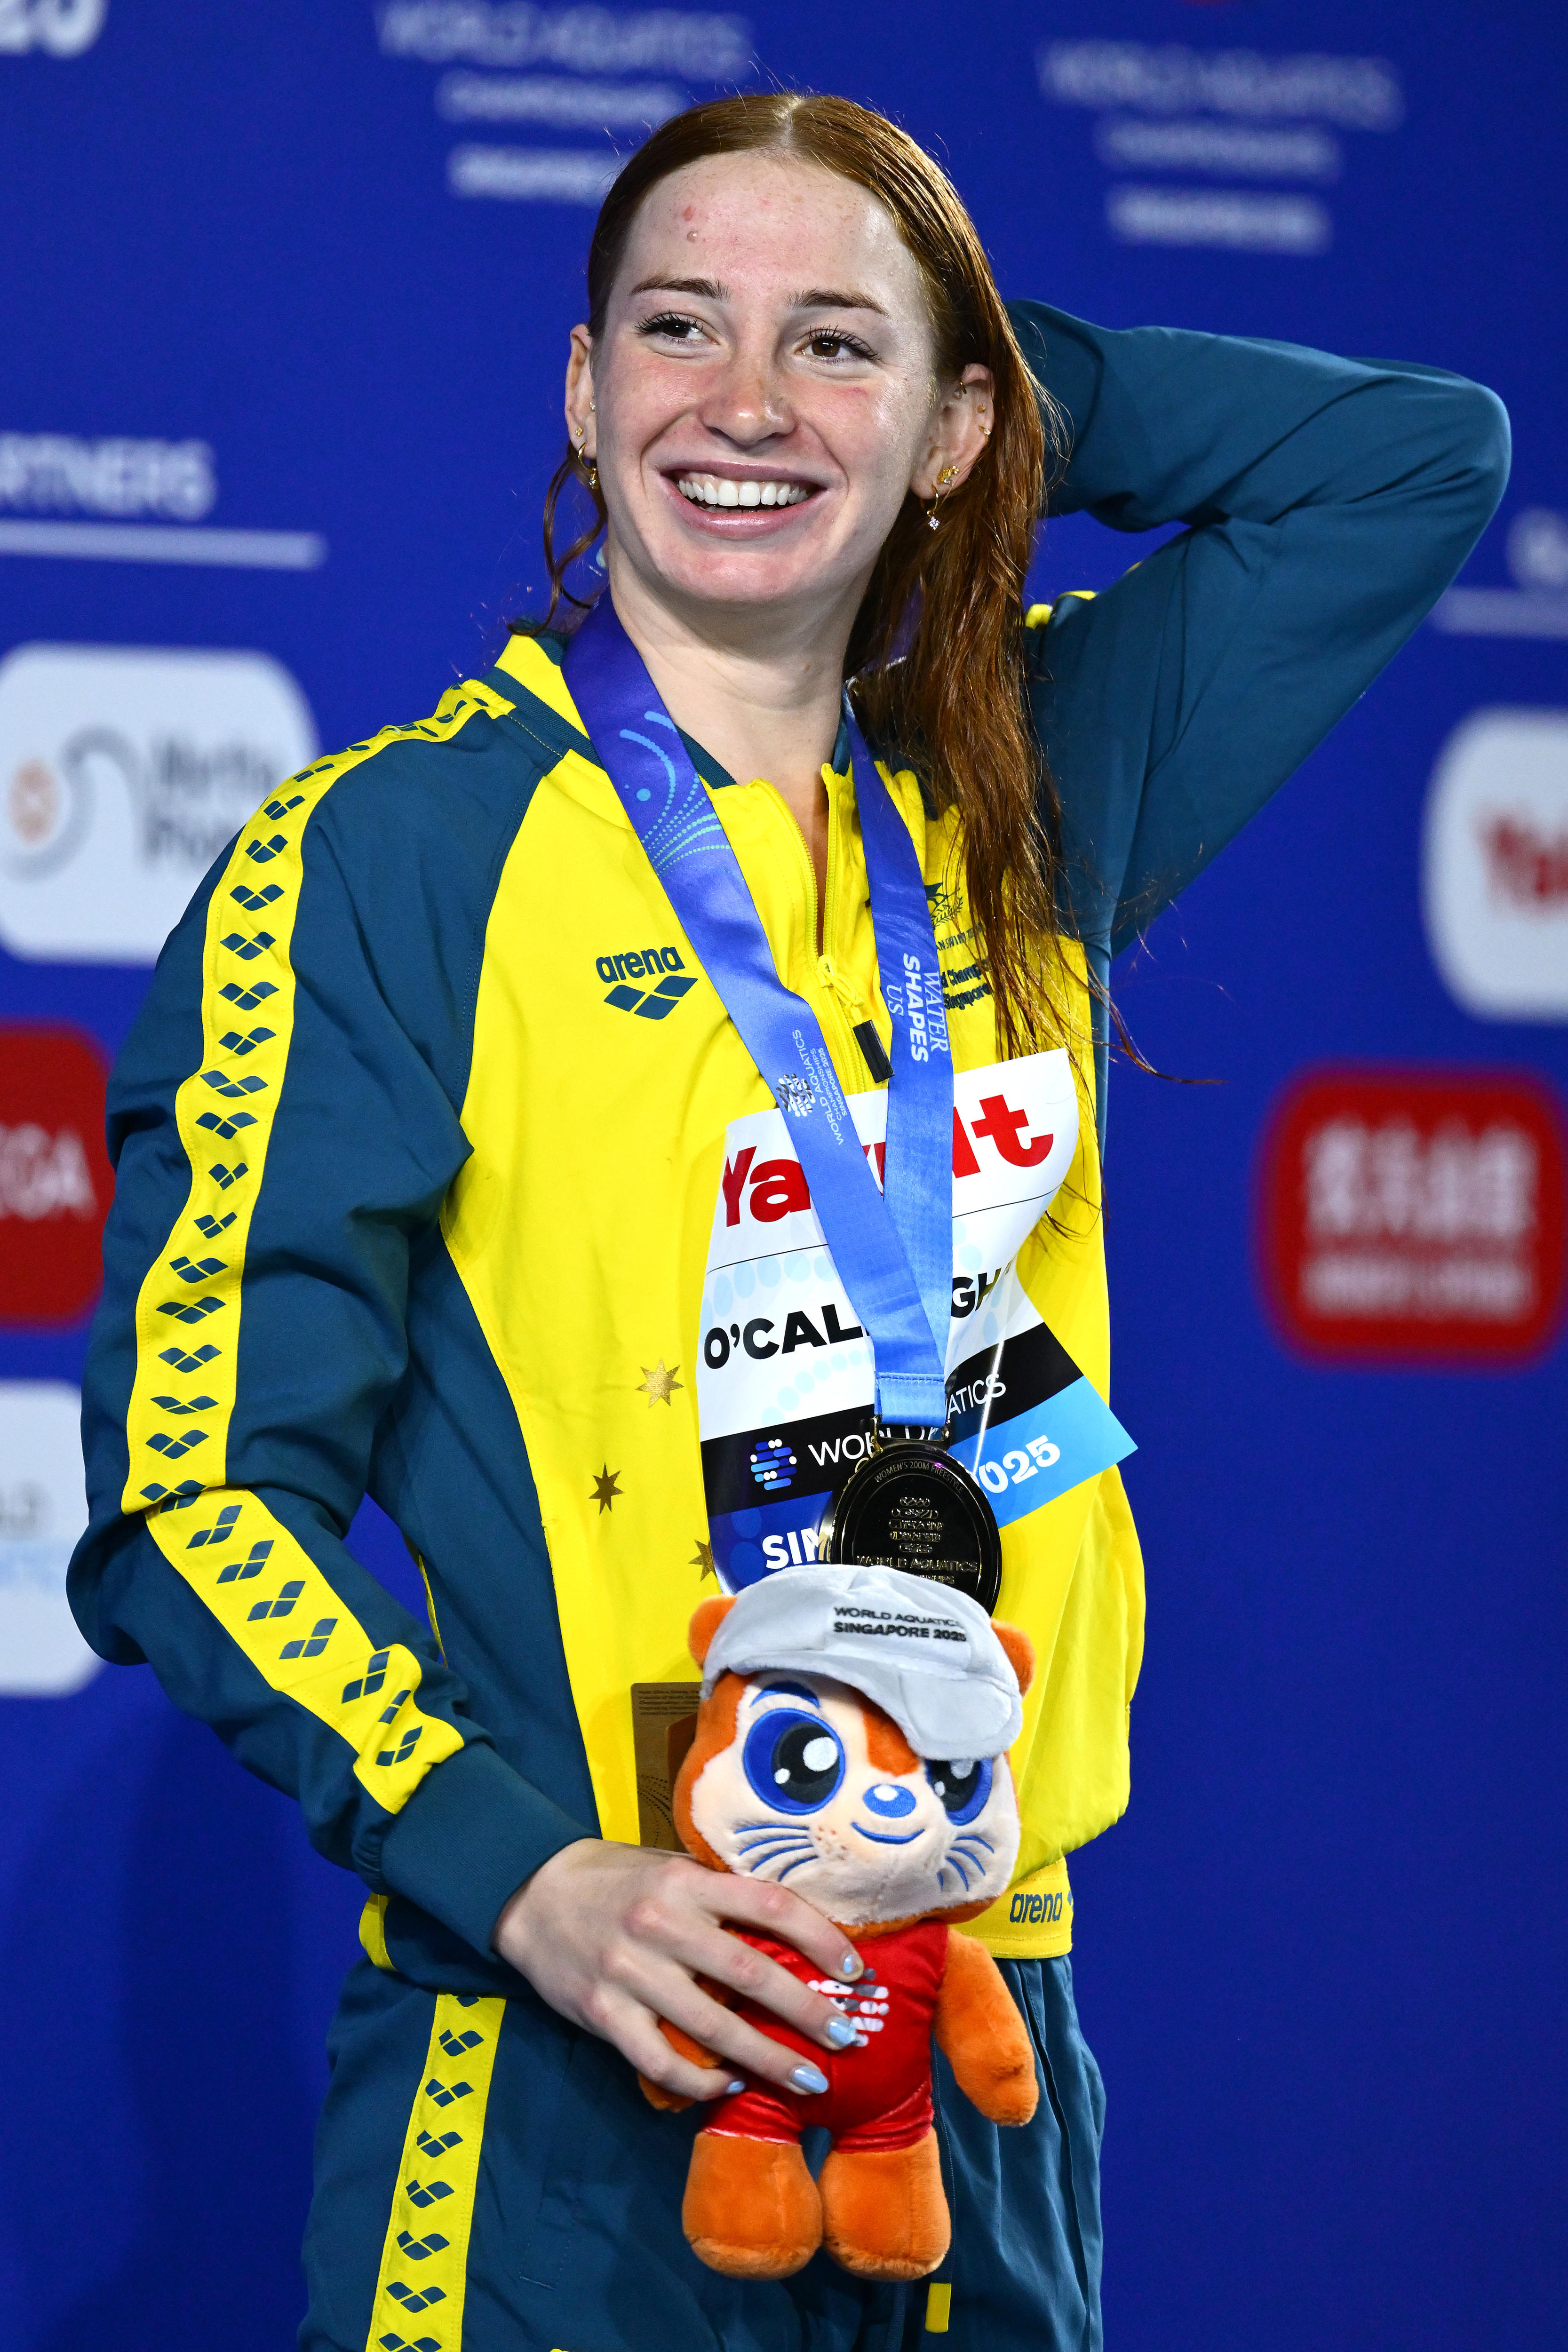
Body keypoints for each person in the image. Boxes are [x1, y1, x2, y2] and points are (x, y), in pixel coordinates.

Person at [69, 90, 1507, 2352]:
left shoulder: (1025, 784)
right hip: (584, 2055)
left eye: (829, 345)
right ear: (580, 388)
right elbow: (184, 1492)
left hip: (977, 2054)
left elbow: (1416, 461)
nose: (740, 404)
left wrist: (968, 373)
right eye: (676, 329)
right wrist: (519, 1872)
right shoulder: (396, 855)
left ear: (958, 422)